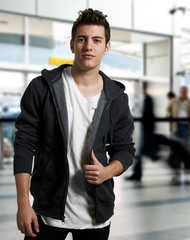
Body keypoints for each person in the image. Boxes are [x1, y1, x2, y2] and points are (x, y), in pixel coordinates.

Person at [13, 9, 135, 240]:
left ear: (106, 47)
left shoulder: (117, 98)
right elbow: (24, 145)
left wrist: (107, 171)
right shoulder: (42, 88)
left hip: (96, 215)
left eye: (97, 40)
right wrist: (23, 204)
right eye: (82, 39)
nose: (89, 46)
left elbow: (125, 149)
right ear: (72, 44)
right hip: (46, 211)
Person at [126, 82, 158, 181]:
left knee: (140, 152)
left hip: (145, 130)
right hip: (139, 129)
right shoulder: (138, 99)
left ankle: (137, 173)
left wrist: (151, 130)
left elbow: (150, 115)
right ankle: (137, 173)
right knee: (139, 151)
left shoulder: (148, 99)